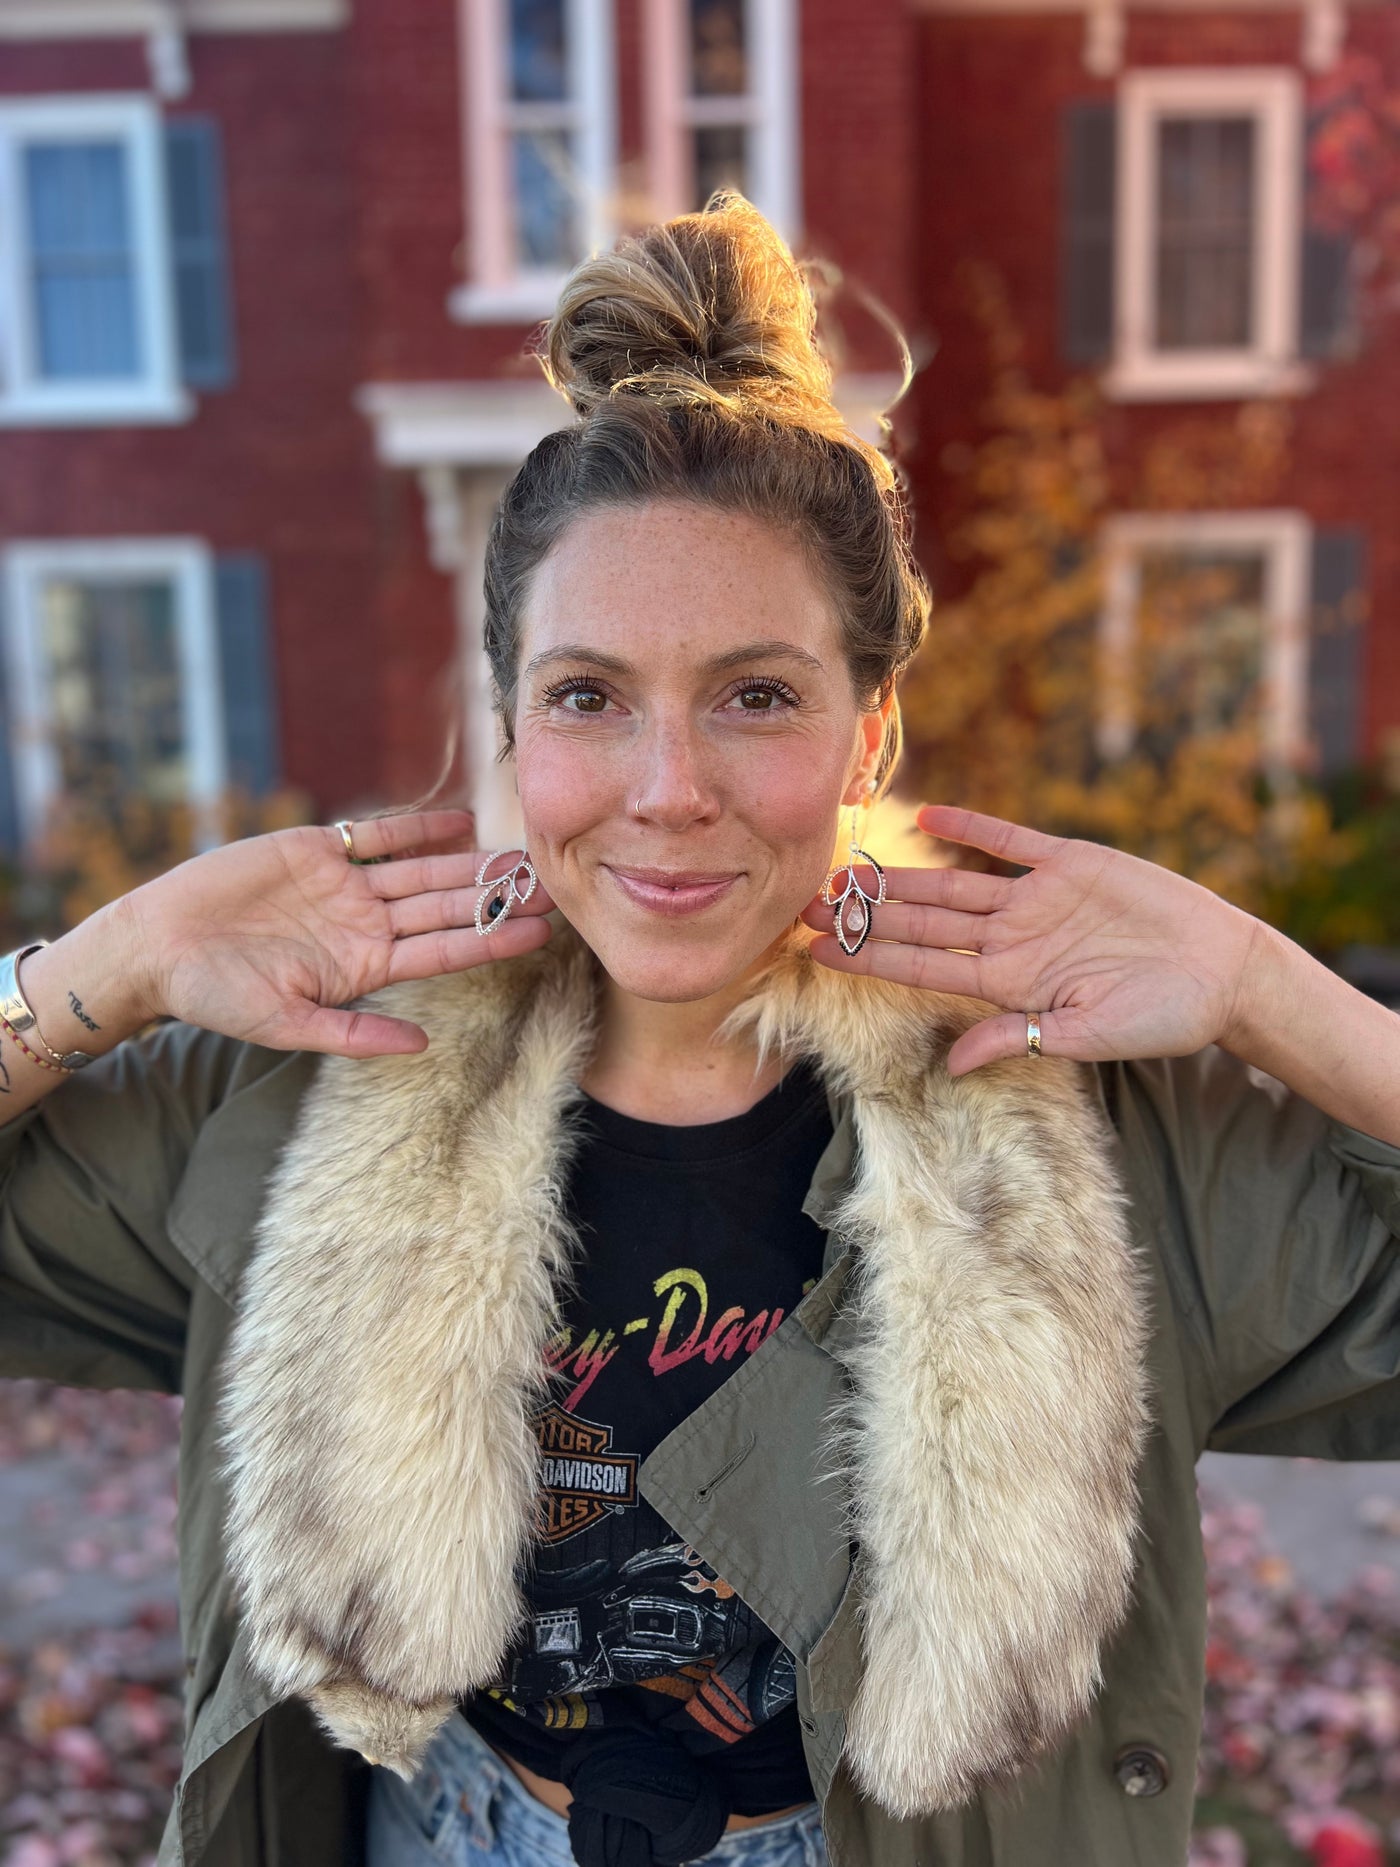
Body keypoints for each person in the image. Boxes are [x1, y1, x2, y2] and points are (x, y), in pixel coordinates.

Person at [1, 189, 1399, 1867]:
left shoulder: (1089, 1126)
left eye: (756, 695)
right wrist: (101, 967)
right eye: (591, 697)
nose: (670, 795)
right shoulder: (300, 1085)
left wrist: (1260, 982)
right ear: (513, 719)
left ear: (866, 730)